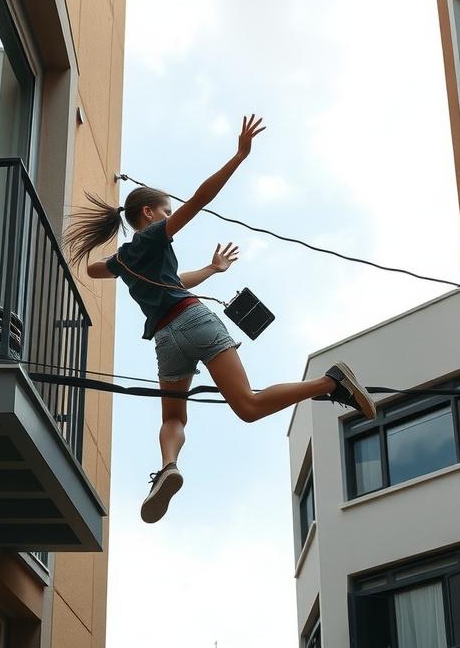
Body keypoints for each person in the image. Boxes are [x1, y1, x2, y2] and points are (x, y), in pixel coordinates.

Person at [64, 115, 376, 523]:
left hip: (165, 340)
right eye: (166, 211)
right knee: (247, 405)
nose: (170, 215)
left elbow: (96, 271)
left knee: (174, 418)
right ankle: (331, 381)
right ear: (148, 212)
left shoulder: (124, 259)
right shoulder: (153, 236)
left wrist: (209, 270)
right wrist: (239, 156)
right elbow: (199, 199)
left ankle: (169, 466)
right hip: (193, 321)